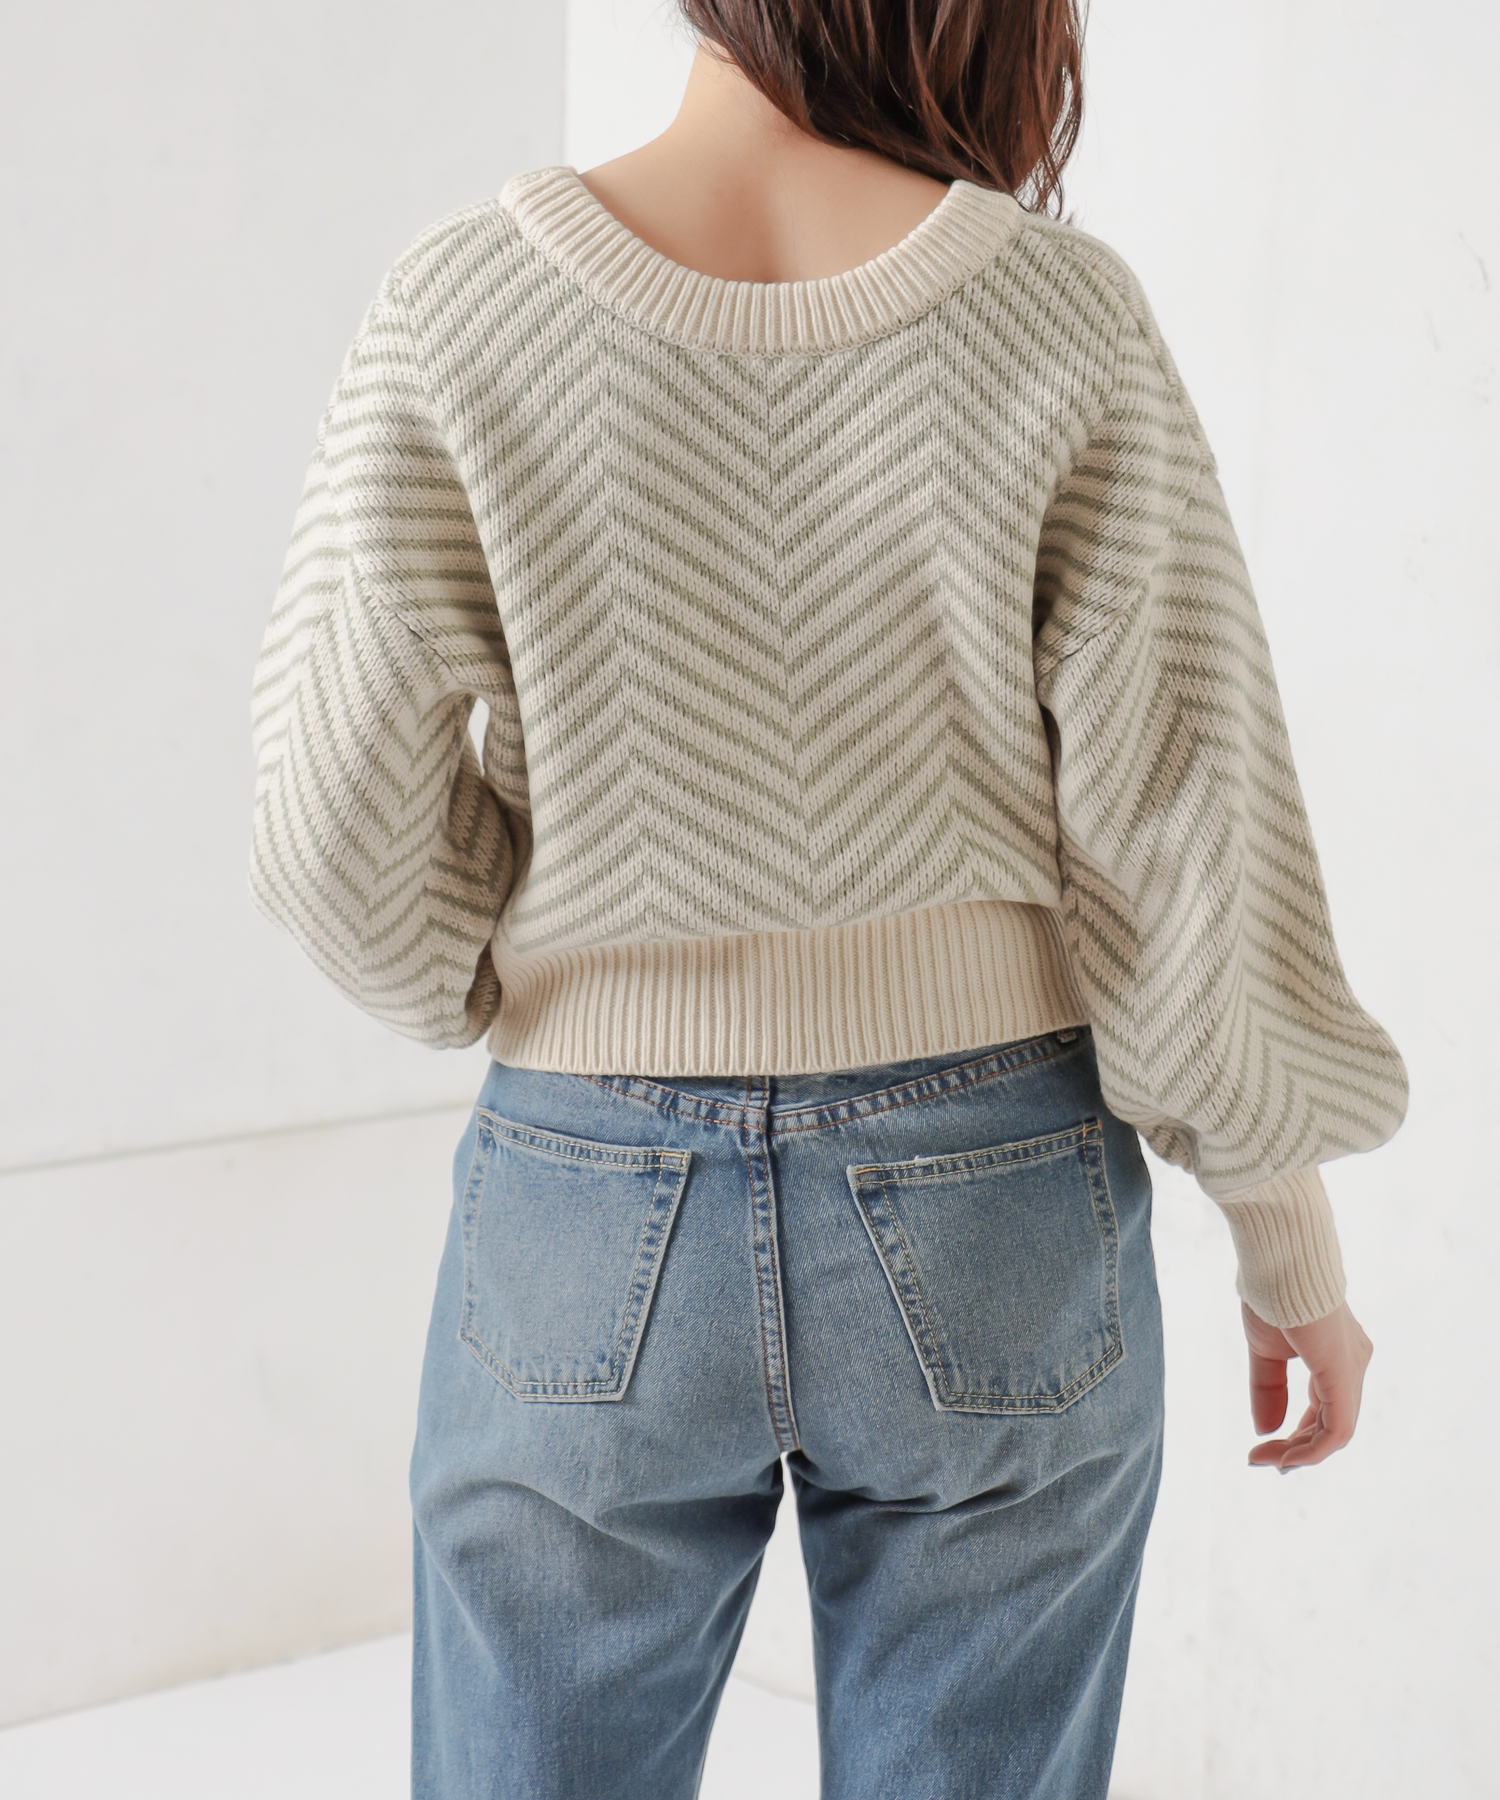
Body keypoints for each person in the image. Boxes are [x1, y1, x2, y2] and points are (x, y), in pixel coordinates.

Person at [248, 5, 1407, 1795]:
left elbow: (332, 828)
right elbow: (1184, 819)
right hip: (998, 1190)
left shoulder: (461, 306)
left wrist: (512, 974)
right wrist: (1285, 1236)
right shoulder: (1056, 314)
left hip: (585, 1195)